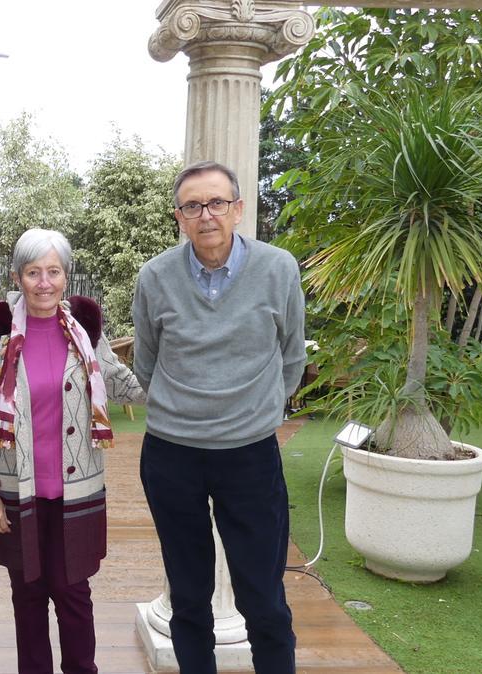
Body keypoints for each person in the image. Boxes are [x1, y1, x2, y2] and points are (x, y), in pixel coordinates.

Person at [131, 160, 305, 674]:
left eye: (216, 203)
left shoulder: (278, 269)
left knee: (263, 600)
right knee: (188, 598)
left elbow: (292, 356)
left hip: (249, 456)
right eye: (192, 206)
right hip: (171, 455)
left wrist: (254, 412)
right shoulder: (155, 276)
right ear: (179, 217)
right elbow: (147, 361)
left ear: (238, 208)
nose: (205, 215)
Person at [0, 228, 146, 674]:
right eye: (33, 272)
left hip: (76, 490)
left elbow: (119, 380)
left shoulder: (84, 330)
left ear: (66, 276)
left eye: (53, 271)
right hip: (16, 491)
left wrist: (173, 380)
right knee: (27, 597)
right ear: (17, 276)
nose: (44, 282)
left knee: (73, 596)